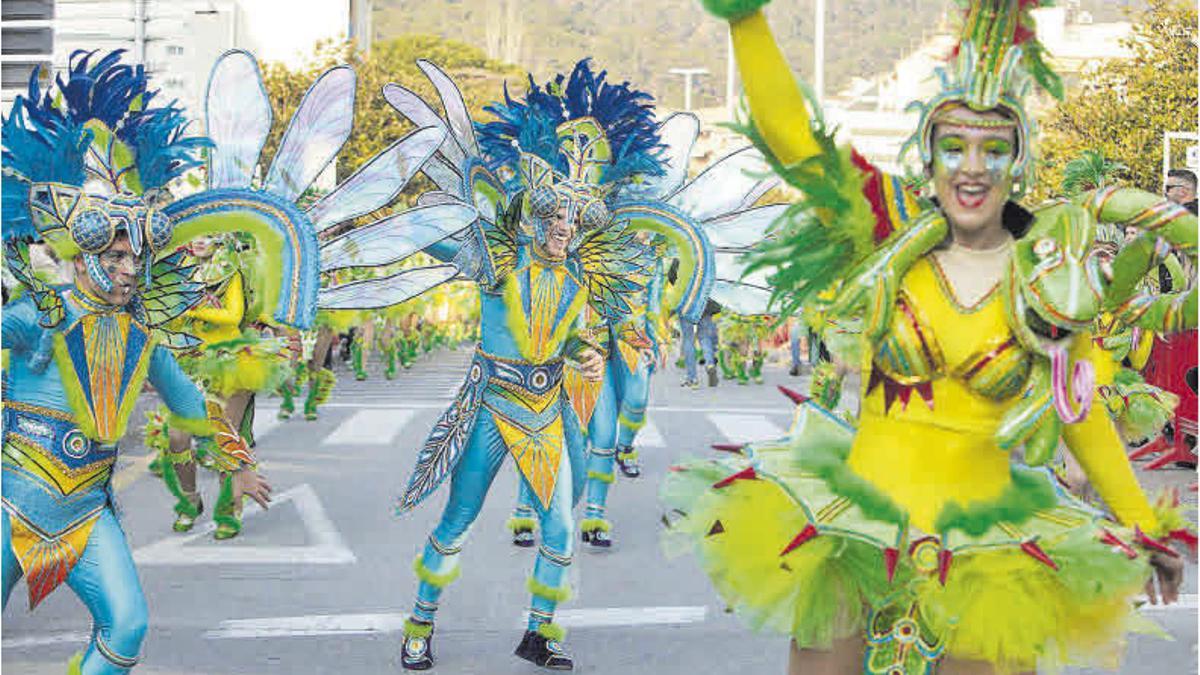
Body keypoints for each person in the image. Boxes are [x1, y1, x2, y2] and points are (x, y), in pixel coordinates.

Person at [663, 2, 1195, 674]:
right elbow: (794, 138)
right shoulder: (884, 227)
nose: (972, 168)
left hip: (988, 555)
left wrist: (1143, 524)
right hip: (853, 531)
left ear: (1017, 162)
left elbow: (1079, 409)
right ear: (930, 154)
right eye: (955, 146)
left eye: (993, 149)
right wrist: (746, 20)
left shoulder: (1052, 271)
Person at [1, 51, 275, 673]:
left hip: (86, 509)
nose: (127, 271)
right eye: (115, 257)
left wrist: (240, 467)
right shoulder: (33, 314)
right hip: (10, 499)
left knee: (127, 628)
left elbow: (192, 409)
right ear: (79, 258)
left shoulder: (142, 338)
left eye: (135, 261)